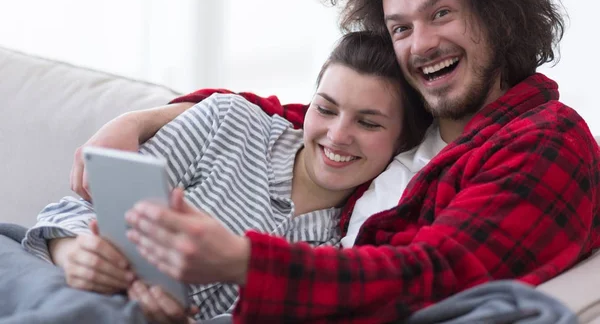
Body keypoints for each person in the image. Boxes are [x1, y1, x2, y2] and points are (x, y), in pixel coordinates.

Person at [70, 0, 600, 322]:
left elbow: (435, 276)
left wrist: (244, 261)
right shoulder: (418, 131)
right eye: (400, 27)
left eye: (441, 13)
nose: (420, 43)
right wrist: (142, 120)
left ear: (500, 15)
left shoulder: (546, 141)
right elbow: (318, 120)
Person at [21, 31, 431, 323]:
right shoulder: (229, 121)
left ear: (402, 142)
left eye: (368, 123)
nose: (337, 135)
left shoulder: (347, 247)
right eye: (325, 108)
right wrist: (75, 253)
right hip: (64, 285)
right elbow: (74, 208)